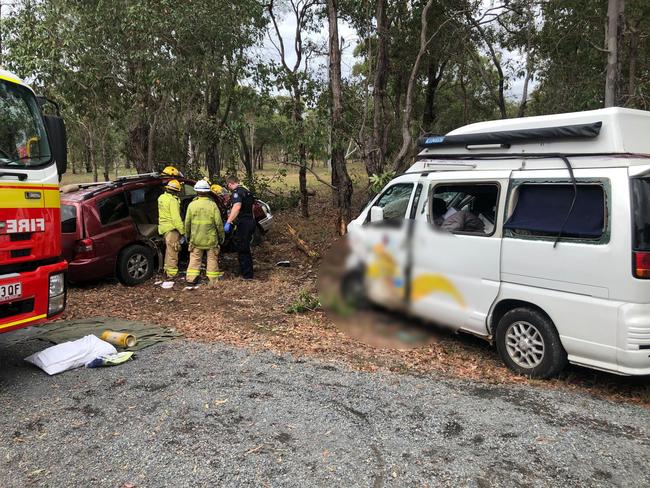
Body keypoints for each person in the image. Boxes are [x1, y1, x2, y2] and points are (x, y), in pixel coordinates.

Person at [185, 180, 225, 284]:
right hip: (210, 239)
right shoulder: (213, 205)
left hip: (196, 239)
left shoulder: (191, 205)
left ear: (196, 191)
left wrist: (187, 236)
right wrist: (221, 236)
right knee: (212, 260)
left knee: (194, 259)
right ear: (208, 192)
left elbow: (187, 223)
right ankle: (212, 280)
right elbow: (219, 223)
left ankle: (191, 279)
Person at [224, 175, 255, 279]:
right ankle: (246, 271)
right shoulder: (246, 191)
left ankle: (247, 275)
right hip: (250, 221)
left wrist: (229, 221)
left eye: (228, 186)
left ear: (230, 184)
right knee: (245, 248)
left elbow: (237, 207)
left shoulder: (237, 193)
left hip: (244, 223)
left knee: (243, 249)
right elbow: (253, 206)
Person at [157, 179, 184, 279]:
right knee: (173, 252)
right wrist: (183, 231)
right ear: (176, 191)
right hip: (172, 229)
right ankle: (172, 274)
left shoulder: (161, 197)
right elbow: (176, 218)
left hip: (164, 228)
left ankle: (167, 269)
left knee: (168, 251)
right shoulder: (173, 201)